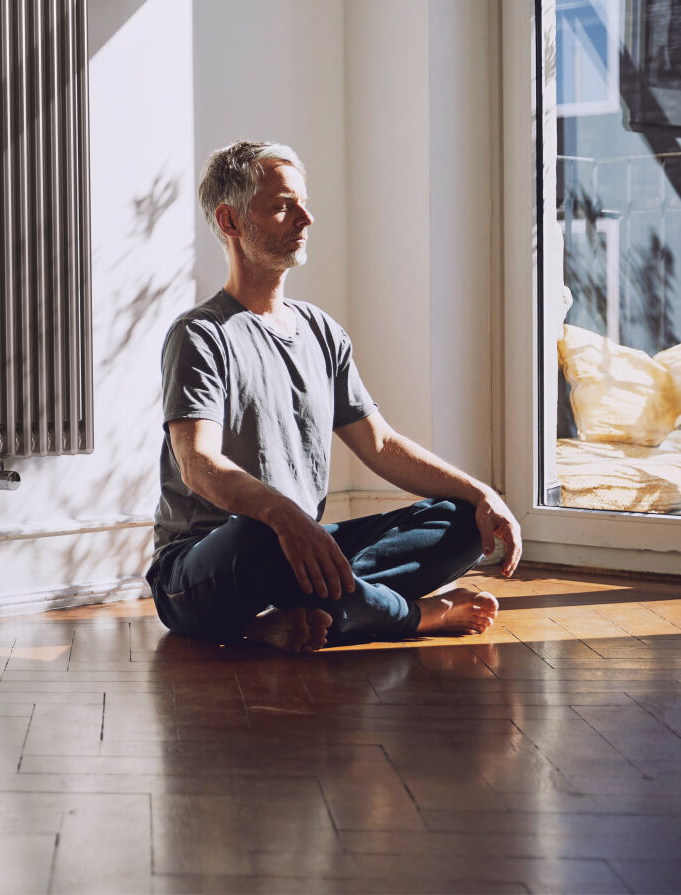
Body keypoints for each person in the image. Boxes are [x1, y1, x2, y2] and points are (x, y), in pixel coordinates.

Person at [147, 140, 522, 653]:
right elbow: (198, 463)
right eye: (283, 206)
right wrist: (282, 516)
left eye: (302, 202)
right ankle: (409, 616)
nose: (305, 218)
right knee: (262, 534)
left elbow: (381, 445)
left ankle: (299, 614)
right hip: (206, 564)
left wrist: (482, 494)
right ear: (230, 222)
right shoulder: (201, 334)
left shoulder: (320, 331)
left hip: (297, 546)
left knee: (459, 521)